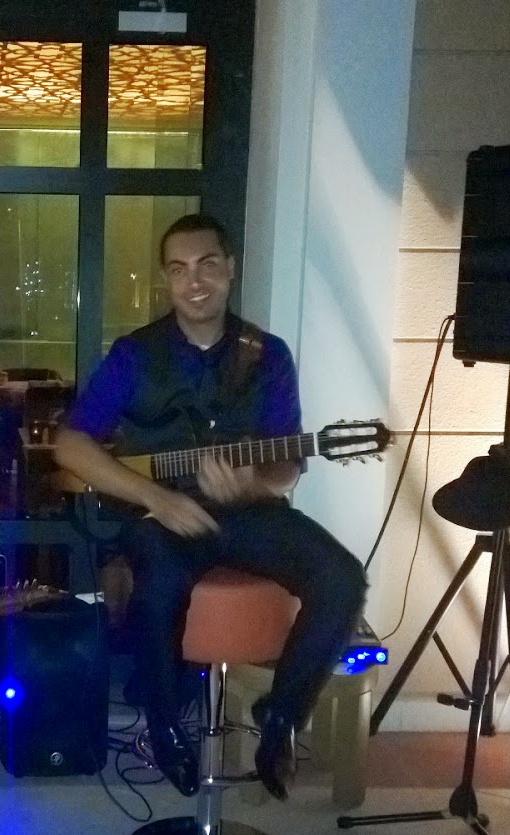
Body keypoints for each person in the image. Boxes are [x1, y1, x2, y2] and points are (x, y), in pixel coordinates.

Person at [54, 213, 367, 800]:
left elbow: (286, 465)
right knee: (160, 581)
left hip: (248, 516)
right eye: (178, 270)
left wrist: (252, 485)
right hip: (159, 518)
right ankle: (165, 724)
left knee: (343, 578)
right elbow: (70, 444)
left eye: (207, 266)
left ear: (230, 270)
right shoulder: (134, 355)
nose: (193, 282)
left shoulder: (268, 355)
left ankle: (281, 718)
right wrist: (156, 497)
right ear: (166, 280)